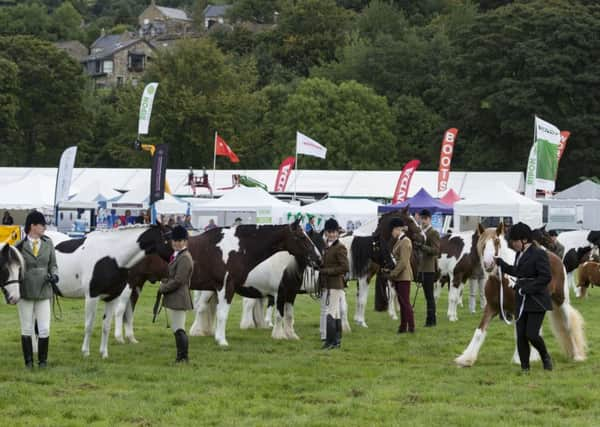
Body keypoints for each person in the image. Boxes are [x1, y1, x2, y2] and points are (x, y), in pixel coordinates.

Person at [494, 222, 553, 373]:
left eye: (514, 241)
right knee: (520, 335)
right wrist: (503, 265)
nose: (512, 244)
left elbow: (545, 277)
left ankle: (545, 355)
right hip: (521, 299)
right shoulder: (519, 255)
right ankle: (525, 367)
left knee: (532, 334)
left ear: (524, 240)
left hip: (537, 299)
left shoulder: (539, 253)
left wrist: (527, 288)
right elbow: (518, 272)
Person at [15, 211, 58, 368]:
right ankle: (28, 362)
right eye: (42, 225)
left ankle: (42, 362)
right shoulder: (19, 246)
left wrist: (55, 275)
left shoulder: (48, 243)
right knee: (26, 327)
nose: (44, 227)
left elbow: (53, 264)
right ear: (32, 226)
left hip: (44, 291)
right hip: (25, 291)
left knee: (44, 328)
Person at [159, 225, 194, 363]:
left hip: (179, 297)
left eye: (179, 241)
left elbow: (179, 280)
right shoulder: (178, 255)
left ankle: (183, 357)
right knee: (176, 327)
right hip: (174, 296)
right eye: (174, 240)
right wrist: (164, 281)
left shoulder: (184, 257)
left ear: (185, 241)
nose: (176, 243)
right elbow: (173, 276)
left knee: (179, 328)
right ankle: (181, 356)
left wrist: (163, 288)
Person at [318, 218, 349, 349]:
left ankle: (330, 341)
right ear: (326, 232)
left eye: (334, 232)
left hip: (336, 285)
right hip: (326, 284)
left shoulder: (340, 247)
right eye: (329, 232)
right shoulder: (325, 246)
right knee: (333, 313)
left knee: (330, 312)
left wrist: (326, 271)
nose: (332, 234)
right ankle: (336, 340)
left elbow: (345, 267)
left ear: (337, 232)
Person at [388, 218, 414, 334]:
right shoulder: (399, 241)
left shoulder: (405, 241)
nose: (391, 233)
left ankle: (411, 326)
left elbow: (403, 262)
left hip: (403, 276)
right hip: (399, 276)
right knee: (402, 302)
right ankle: (403, 326)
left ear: (397, 229)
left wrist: (392, 274)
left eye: (392, 230)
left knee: (405, 303)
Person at [415, 209, 440, 327]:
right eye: (422, 218)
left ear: (429, 219)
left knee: (429, 296)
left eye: (425, 219)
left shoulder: (433, 233)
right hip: (421, 267)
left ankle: (431, 320)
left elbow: (436, 251)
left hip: (429, 268)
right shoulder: (420, 232)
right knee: (426, 295)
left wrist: (422, 247)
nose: (423, 221)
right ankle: (430, 319)